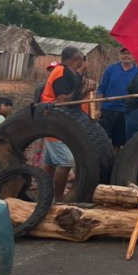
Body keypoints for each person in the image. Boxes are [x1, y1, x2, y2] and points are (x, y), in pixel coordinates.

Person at [40, 46, 92, 200]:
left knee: (50, 162)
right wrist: (84, 91)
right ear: (76, 59)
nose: (82, 62)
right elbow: (63, 101)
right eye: (82, 59)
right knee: (66, 161)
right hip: (55, 121)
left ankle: (44, 194)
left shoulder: (72, 73)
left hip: (62, 122)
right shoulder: (61, 72)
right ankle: (58, 198)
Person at [95, 47, 138, 154]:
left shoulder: (137, 72)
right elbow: (101, 88)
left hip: (125, 111)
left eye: (129, 53)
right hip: (108, 109)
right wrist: (98, 108)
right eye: (124, 53)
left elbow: (137, 94)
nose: (126, 56)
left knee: (118, 142)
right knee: (102, 139)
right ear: (120, 55)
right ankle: (101, 163)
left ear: (133, 56)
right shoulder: (111, 69)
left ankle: (114, 166)